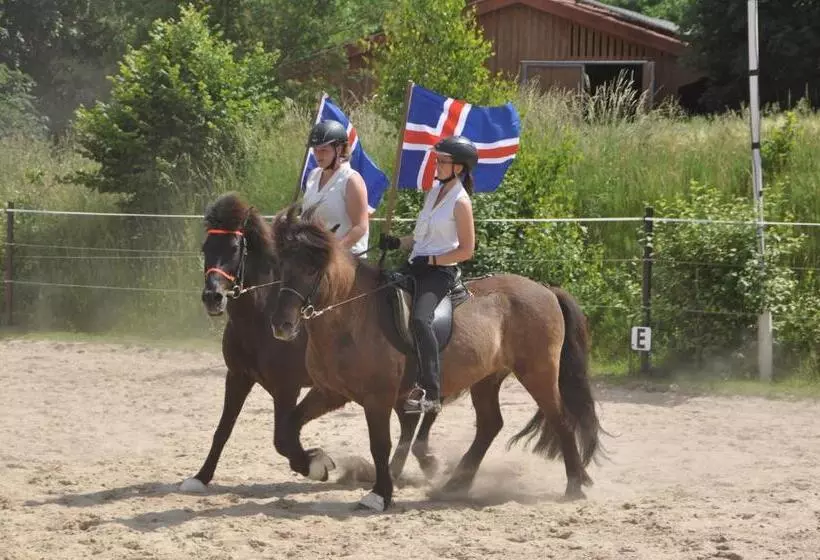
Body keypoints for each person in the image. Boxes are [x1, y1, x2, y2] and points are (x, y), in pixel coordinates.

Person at [379, 135, 477, 414]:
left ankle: (431, 391)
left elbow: (467, 250)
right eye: (437, 159)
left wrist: (433, 259)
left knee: (421, 320)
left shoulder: (460, 202)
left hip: (439, 273)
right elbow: (420, 237)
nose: (437, 164)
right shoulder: (434, 194)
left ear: (458, 168)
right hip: (416, 264)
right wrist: (398, 242)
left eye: (442, 161)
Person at [302, 120, 370, 256]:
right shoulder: (313, 175)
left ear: (338, 149)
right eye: (315, 150)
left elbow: (361, 227)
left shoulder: (351, 180)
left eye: (323, 150)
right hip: (316, 257)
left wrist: (334, 252)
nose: (317, 155)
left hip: (348, 258)